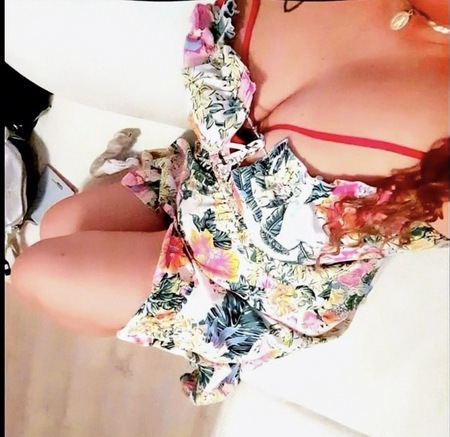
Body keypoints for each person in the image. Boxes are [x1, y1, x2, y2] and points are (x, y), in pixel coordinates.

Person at [10, 0, 449, 405]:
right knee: (60, 224)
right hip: (201, 180)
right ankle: (146, 293)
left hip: (259, 285)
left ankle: (194, 337)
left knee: (39, 270)